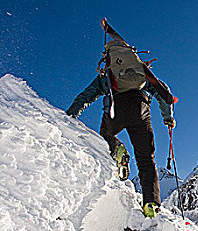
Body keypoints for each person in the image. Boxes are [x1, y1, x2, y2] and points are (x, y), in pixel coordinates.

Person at [66, 61, 175, 219]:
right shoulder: (142, 74)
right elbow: (163, 93)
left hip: (115, 110)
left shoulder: (108, 75)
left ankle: (116, 147)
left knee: (104, 136)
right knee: (146, 159)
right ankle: (151, 204)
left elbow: (86, 96)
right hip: (140, 110)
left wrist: (69, 116)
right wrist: (168, 117)